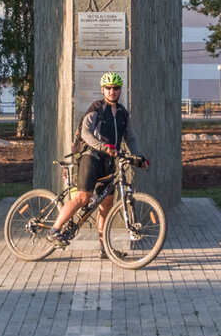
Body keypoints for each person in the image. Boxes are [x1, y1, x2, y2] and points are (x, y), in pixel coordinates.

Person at [47, 72, 147, 259]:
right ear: (103, 90)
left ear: (120, 90)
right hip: (91, 158)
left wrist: (140, 157)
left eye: (115, 88)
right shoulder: (96, 109)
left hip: (109, 163)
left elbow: (130, 138)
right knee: (83, 197)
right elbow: (86, 134)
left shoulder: (123, 113)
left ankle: (104, 249)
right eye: (108, 88)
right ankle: (54, 230)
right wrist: (103, 147)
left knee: (105, 206)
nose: (112, 91)